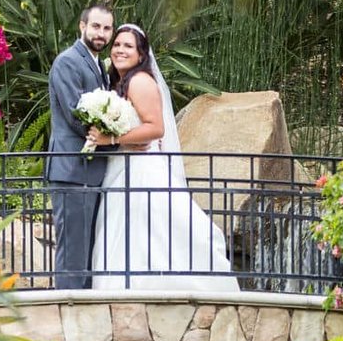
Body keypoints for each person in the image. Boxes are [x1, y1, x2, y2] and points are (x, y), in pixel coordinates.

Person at [86, 24, 234, 289]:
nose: (120, 50)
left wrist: (111, 139)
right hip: (124, 165)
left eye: (128, 46)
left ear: (141, 55)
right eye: (117, 44)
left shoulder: (140, 81)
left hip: (142, 168)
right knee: (132, 231)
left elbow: (155, 128)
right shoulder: (119, 82)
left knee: (148, 230)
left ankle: (144, 288)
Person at [45, 2, 114, 289]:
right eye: (96, 26)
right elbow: (76, 114)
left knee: (86, 249)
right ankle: (68, 313)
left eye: (107, 28)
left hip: (91, 170)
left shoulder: (98, 65)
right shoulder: (68, 61)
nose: (101, 33)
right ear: (82, 26)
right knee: (73, 250)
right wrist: (113, 137)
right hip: (73, 169)